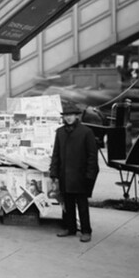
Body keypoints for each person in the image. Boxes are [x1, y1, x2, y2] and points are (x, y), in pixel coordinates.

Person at [49, 101, 99, 243]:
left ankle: (86, 231)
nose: (69, 118)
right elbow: (56, 154)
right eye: (66, 115)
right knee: (67, 204)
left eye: (71, 115)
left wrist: (89, 175)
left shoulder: (86, 132)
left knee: (82, 205)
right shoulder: (60, 132)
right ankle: (69, 228)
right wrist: (54, 173)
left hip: (80, 176)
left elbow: (92, 156)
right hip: (65, 175)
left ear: (77, 116)